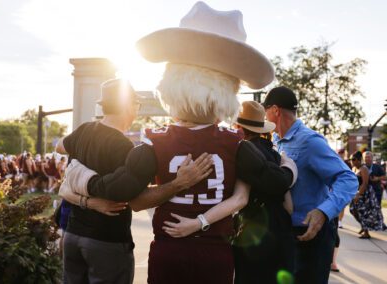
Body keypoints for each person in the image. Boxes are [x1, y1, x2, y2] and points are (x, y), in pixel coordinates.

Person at [63, 3, 297, 284]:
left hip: (169, 249)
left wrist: (80, 179)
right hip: (214, 252)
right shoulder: (236, 143)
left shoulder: (155, 141)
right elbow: (275, 182)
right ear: (225, 92)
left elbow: (128, 194)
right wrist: (289, 165)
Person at [56, 78, 211, 284]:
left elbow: (60, 147)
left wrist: (81, 159)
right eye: (135, 105)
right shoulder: (124, 147)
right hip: (106, 241)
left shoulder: (84, 130)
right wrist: (178, 183)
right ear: (128, 106)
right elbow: (137, 200)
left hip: (73, 235)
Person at [163, 101, 296, 284]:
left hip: (252, 229)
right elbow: (289, 205)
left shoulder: (240, 152)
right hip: (281, 228)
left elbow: (241, 197)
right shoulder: (275, 154)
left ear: (238, 126)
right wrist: (290, 169)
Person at [263, 86, 358, 284]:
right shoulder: (274, 140)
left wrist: (324, 211)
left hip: (312, 236)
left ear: (275, 110)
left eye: (265, 111)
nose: (264, 117)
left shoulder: (310, 141)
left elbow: (348, 179)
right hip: (286, 235)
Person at [349, 151, 384, 239]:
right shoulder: (354, 168)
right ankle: (363, 226)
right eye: (351, 159)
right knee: (353, 210)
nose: (352, 161)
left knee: (363, 212)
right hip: (357, 192)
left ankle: (366, 232)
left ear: (359, 160)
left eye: (354, 159)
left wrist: (359, 194)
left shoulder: (364, 168)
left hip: (365, 193)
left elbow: (365, 183)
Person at [363, 151, 386, 230]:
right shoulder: (362, 167)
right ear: (363, 158)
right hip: (366, 191)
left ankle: (381, 223)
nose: (367, 159)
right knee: (366, 208)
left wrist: (377, 178)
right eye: (366, 157)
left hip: (377, 190)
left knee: (377, 207)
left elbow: (385, 176)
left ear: (372, 158)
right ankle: (367, 225)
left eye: (369, 157)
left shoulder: (377, 167)